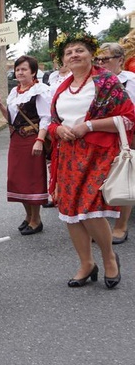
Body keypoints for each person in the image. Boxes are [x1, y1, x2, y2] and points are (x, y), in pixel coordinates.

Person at [48, 31, 135, 289]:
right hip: (67, 156)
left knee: (88, 210)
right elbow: (53, 121)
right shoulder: (62, 86)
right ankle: (86, 263)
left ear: (91, 54)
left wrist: (89, 125)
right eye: (69, 52)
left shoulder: (106, 81)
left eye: (79, 50)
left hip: (97, 155)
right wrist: (56, 131)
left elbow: (129, 118)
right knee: (70, 212)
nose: (74, 55)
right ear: (63, 60)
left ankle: (109, 257)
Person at [0, 55, 51, 235]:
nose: (20, 72)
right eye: (18, 69)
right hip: (16, 140)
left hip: (32, 140)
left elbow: (45, 118)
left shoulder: (40, 90)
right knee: (18, 179)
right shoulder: (14, 92)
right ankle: (28, 216)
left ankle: (36, 219)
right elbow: (10, 119)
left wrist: (40, 140)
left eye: (24, 69)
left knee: (32, 179)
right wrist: (0, 105)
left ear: (33, 72)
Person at [96, 42, 135, 244]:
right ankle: (101, 225)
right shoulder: (95, 81)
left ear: (120, 59)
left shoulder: (131, 81)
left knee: (124, 177)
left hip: (127, 135)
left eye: (106, 59)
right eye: (99, 59)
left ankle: (121, 226)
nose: (101, 63)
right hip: (101, 136)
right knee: (101, 180)